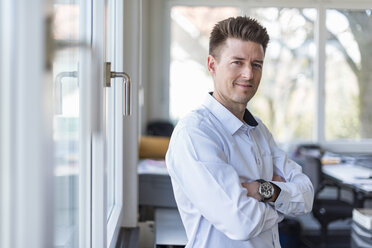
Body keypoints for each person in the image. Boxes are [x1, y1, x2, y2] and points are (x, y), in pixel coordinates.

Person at [165, 16, 314, 248]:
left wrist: (263, 190)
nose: (249, 74)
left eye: (256, 64)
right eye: (237, 62)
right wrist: (282, 201)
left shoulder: (259, 131)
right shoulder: (194, 134)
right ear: (212, 65)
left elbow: (306, 196)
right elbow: (241, 222)